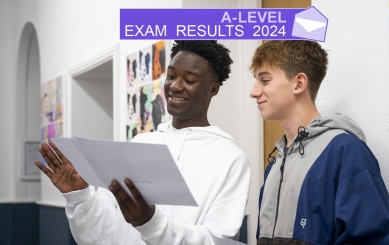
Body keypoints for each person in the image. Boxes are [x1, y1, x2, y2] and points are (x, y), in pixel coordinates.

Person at [35, 40, 251, 245]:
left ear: (213, 89)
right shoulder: (141, 142)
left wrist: (151, 223)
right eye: (171, 76)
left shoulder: (229, 159)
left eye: (190, 80)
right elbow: (101, 235)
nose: (175, 86)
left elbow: (218, 239)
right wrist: (80, 196)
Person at [250, 40, 389, 244]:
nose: (254, 92)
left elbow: (374, 238)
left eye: (265, 80)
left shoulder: (345, 151)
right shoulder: (276, 163)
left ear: (299, 83)